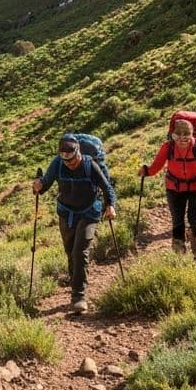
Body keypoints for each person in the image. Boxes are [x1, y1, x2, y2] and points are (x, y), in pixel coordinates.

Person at [33, 134, 116, 314]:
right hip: (66, 213)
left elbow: (106, 186)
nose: (69, 164)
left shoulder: (90, 165)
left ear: (78, 153)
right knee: (70, 252)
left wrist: (110, 206)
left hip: (89, 212)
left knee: (80, 251)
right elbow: (45, 184)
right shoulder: (58, 163)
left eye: (72, 160)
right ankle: (76, 283)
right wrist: (38, 185)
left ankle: (79, 295)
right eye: (66, 161)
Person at [139, 118, 196, 260]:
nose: (182, 138)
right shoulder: (168, 147)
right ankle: (178, 251)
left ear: (191, 134)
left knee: (194, 218)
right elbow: (156, 166)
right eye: (179, 134)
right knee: (178, 220)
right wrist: (146, 171)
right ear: (173, 135)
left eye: (186, 134)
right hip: (174, 188)